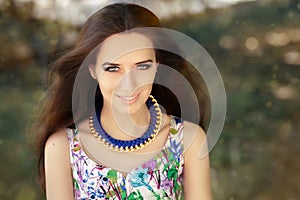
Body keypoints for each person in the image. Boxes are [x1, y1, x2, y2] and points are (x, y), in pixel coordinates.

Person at [34, 3, 212, 199]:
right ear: (92, 69)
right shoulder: (62, 147)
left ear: (157, 66)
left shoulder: (188, 139)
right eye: (113, 68)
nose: (128, 84)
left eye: (142, 67)